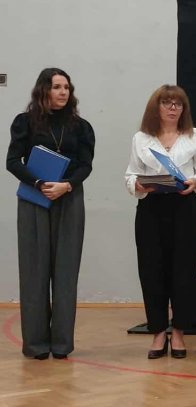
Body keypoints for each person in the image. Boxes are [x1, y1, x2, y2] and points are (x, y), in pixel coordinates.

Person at [6, 67, 96, 360]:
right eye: (57, 87)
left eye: (66, 87)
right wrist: (39, 183)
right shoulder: (25, 122)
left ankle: (61, 344)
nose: (63, 92)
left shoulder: (81, 127)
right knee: (34, 271)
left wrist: (66, 185)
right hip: (34, 198)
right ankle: (35, 345)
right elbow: (12, 161)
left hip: (69, 197)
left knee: (66, 272)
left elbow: (85, 164)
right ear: (43, 90)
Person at [124, 85, 196, 359]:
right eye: (167, 103)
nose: (173, 108)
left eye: (178, 104)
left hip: (185, 207)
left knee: (184, 271)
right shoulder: (141, 138)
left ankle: (179, 332)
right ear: (157, 107)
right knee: (152, 270)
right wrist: (137, 184)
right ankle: (158, 332)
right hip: (152, 208)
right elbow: (130, 175)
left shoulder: (194, 136)